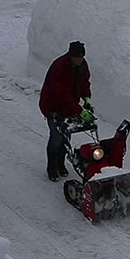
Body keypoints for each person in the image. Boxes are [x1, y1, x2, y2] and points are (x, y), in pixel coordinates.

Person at [39, 41, 95, 181]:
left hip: (69, 106)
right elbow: (62, 95)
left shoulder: (82, 65)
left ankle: (60, 162)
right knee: (57, 137)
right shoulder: (60, 67)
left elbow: (84, 82)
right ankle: (51, 166)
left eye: (82, 57)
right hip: (52, 106)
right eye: (76, 57)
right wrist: (80, 111)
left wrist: (87, 98)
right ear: (70, 55)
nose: (79, 59)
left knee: (66, 135)